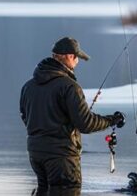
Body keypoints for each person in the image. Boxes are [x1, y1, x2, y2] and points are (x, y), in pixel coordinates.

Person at [20, 36, 124, 188]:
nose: (77, 61)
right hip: (62, 157)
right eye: (76, 57)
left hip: (36, 154)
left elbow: (25, 117)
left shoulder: (28, 86)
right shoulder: (69, 86)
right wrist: (111, 120)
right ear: (69, 56)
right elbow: (86, 124)